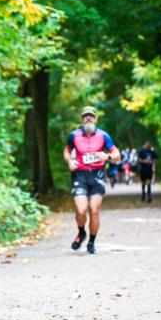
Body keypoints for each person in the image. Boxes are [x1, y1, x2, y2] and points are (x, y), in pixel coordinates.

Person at [64, 106, 120, 254]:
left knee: (94, 210)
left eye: (91, 116)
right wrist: (69, 161)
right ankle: (81, 232)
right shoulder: (74, 136)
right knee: (81, 210)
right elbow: (66, 151)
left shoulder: (104, 136)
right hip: (80, 175)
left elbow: (117, 155)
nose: (88, 118)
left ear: (95, 119)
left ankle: (91, 242)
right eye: (85, 116)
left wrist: (107, 156)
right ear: (81, 120)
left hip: (98, 175)